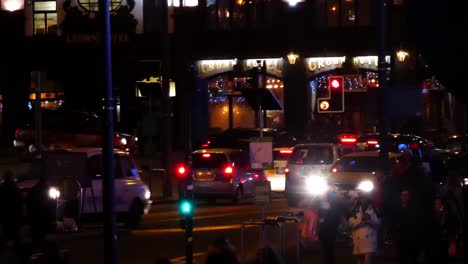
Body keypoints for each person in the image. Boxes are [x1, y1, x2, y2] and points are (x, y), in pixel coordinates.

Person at [348, 193, 380, 264]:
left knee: (367, 260)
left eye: (364, 198)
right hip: (358, 239)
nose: (363, 200)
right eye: (361, 198)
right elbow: (350, 224)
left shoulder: (373, 209)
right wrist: (361, 220)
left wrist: (369, 220)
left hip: (369, 240)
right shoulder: (355, 210)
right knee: (359, 260)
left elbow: (377, 224)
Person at [317, 191, 347, 264]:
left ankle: (327, 261)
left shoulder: (325, 204)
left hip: (325, 228)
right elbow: (339, 215)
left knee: (326, 248)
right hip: (332, 228)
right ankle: (330, 261)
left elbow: (321, 214)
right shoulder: (337, 205)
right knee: (330, 247)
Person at [0, 169, 23, 246]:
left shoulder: (2, 188)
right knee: (14, 234)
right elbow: (20, 202)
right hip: (14, 215)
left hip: (5, 215)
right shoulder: (15, 188)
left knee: (6, 233)